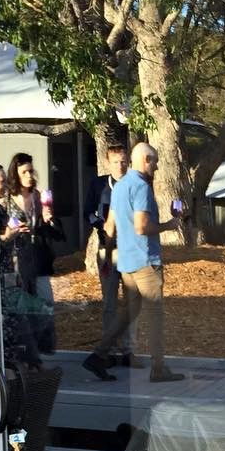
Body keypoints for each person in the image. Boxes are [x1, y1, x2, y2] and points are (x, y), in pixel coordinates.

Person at [83, 142, 185, 384]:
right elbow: (141, 227)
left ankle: (98, 356)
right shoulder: (140, 186)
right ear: (146, 160)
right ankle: (158, 369)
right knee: (156, 316)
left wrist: (108, 257)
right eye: (155, 161)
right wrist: (169, 226)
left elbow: (110, 226)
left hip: (126, 263)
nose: (157, 167)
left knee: (128, 313)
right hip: (146, 262)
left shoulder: (120, 186)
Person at [83, 144, 140, 366]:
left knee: (131, 302)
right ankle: (107, 351)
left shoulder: (135, 184)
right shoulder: (99, 185)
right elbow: (87, 212)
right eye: (116, 162)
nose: (120, 166)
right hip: (107, 248)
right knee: (109, 302)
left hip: (130, 249)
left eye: (124, 161)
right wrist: (103, 225)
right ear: (107, 163)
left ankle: (128, 350)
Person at [5, 152, 64, 355]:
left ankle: (42, 348)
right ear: (15, 175)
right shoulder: (7, 200)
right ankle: (26, 353)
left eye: (31, 171)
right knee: (20, 307)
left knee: (45, 303)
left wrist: (49, 220)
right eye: (25, 172)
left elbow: (57, 233)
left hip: (39, 258)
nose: (30, 175)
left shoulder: (39, 197)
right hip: (16, 259)